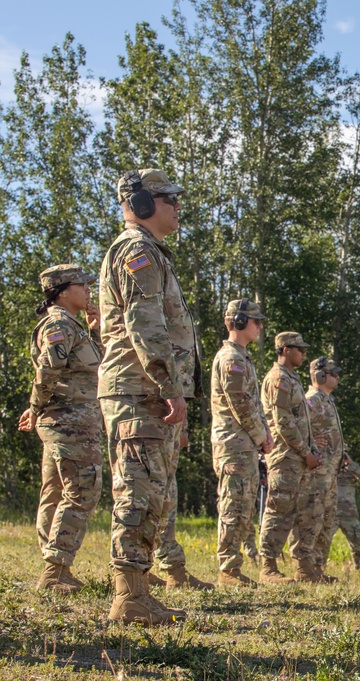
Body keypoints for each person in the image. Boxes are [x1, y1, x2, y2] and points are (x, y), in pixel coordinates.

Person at [99, 168, 203, 624]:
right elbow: (146, 326)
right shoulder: (137, 251)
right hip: (140, 390)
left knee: (152, 494)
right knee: (137, 493)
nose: (177, 208)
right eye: (168, 200)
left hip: (145, 390)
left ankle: (137, 591)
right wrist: (169, 387)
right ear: (142, 205)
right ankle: (128, 597)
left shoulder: (150, 252)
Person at [19, 264, 104, 594]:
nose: (88, 291)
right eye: (82, 285)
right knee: (82, 492)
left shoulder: (73, 326)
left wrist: (95, 330)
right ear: (63, 291)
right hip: (68, 423)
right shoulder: (58, 325)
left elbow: (93, 367)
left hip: (72, 423)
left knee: (56, 491)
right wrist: (36, 407)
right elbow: (47, 372)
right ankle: (55, 570)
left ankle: (53, 565)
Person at [210, 298, 273, 586]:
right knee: (234, 506)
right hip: (234, 445)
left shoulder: (241, 357)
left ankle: (232, 568)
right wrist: (261, 436)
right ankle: (228, 569)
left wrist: (262, 435)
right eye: (255, 321)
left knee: (243, 506)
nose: (260, 326)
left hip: (243, 444)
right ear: (238, 322)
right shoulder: (232, 359)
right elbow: (241, 404)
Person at [258, 332, 321, 584]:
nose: (303, 354)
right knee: (279, 508)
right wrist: (306, 453)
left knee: (302, 511)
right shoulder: (278, 379)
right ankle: (267, 567)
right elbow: (282, 423)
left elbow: (301, 422)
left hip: (298, 457)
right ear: (285, 350)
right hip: (285, 456)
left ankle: (304, 567)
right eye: (299, 349)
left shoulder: (292, 380)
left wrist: (312, 450)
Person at [305, 356, 346, 582]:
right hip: (318, 472)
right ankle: (307, 568)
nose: (337, 377)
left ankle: (318, 568)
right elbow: (299, 427)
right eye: (333, 373)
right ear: (320, 376)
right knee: (314, 518)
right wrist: (311, 444)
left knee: (327, 519)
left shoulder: (327, 400)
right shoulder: (312, 399)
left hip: (330, 472)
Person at [333, 451, 360, 571]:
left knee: (356, 544)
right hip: (330, 515)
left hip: (349, 515)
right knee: (322, 543)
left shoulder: (350, 471)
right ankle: (317, 570)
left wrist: (351, 463)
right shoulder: (328, 470)